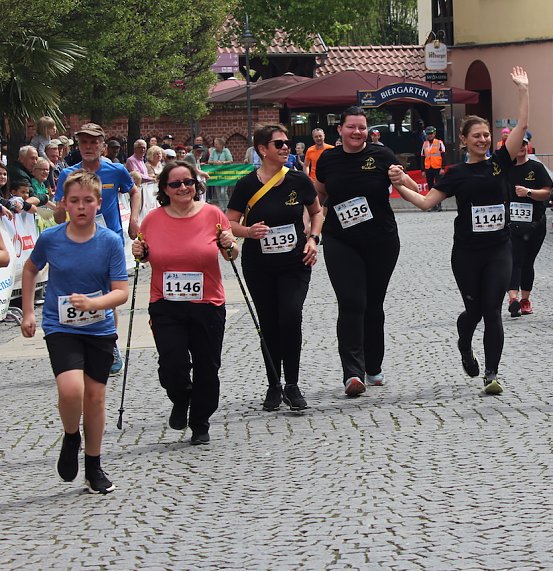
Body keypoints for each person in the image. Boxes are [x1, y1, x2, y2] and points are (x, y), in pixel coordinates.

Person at [391, 66, 530, 396]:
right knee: (474, 311)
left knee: (493, 310)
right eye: (476, 136)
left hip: (499, 249)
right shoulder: (455, 173)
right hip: (467, 254)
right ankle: (465, 342)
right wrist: (399, 186)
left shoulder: (500, 162)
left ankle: (492, 373)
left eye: (486, 135)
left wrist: (523, 90)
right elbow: (426, 203)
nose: (483, 140)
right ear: (464, 140)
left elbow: (522, 125)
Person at [20, 170, 129, 494]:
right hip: (59, 325)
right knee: (71, 390)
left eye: (88, 201)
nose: (81, 206)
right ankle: (71, 436)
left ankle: (94, 466)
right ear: (64, 204)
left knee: (95, 397)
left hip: (98, 328)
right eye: (75, 201)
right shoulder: (51, 238)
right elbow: (30, 268)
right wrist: (27, 312)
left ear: (99, 204)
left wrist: (95, 303)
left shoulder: (109, 241)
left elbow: (120, 291)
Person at [131, 161, 238, 444]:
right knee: (172, 364)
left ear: (196, 184)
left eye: (188, 182)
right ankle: (181, 398)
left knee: (207, 365)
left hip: (208, 303)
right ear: (164, 189)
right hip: (166, 304)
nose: (183, 188)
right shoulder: (152, 220)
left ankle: (200, 421)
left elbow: (230, 255)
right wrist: (139, 252)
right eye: (175, 184)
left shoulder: (213, 215)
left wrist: (229, 243)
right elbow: (143, 257)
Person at [226, 124, 323, 412]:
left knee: (291, 316)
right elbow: (228, 223)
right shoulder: (246, 185)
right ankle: (273, 385)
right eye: (278, 143)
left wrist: (314, 239)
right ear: (262, 149)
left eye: (287, 143)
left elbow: (316, 212)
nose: (285, 148)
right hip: (260, 265)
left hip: (295, 262)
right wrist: (247, 232)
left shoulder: (298, 180)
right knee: (269, 323)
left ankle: (292, 384)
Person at [313, 107, 406, 397]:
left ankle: (374, 367)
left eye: (362, 127)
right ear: (339, 130)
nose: (357, 132)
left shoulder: (382, 155)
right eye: (351, 127)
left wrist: (400, 176)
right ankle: (353, 373)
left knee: (373, 304)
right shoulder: (328, 159)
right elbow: (318, 196)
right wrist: (308, 227)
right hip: (341, 240)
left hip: (381, 241)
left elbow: (409, 188)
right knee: (352, 301)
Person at [54, 123, 141, 376]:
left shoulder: (115, 170)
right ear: (78, 146)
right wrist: (61, 211)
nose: (89, 147)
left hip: (109, 240)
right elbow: (60, 214)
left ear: (102, 145)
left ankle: (108, 343)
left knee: (106, 292)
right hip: (78, 242)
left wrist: (134, 219)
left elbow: (134, 191)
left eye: (94, 142)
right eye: (84, 143)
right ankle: (83, 342)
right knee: (82, 291)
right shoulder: (67, 174)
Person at [506, 132, 553, 317]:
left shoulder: (536, 167)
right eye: (518, 143)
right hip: (512, 224)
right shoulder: (505, 168)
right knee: (514, 260)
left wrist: (528, 192)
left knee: (527, 262)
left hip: (534, 223)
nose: (521, 147)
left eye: (524, 143)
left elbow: (547, 192)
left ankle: (525, 299)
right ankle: (513, 299)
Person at [421, 126, 446, 211]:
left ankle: (439, 205)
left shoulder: (439, 143)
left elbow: (443, 156)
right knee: (431, 187)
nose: (430, 135)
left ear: (434, 133)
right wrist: (423, 170)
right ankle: (433, 205)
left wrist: (443, 168)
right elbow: (422, 157)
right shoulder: (424, 144)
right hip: (428, 168)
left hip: (437, 168)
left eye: (431, 133)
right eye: (428, 134)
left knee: (438, 187)